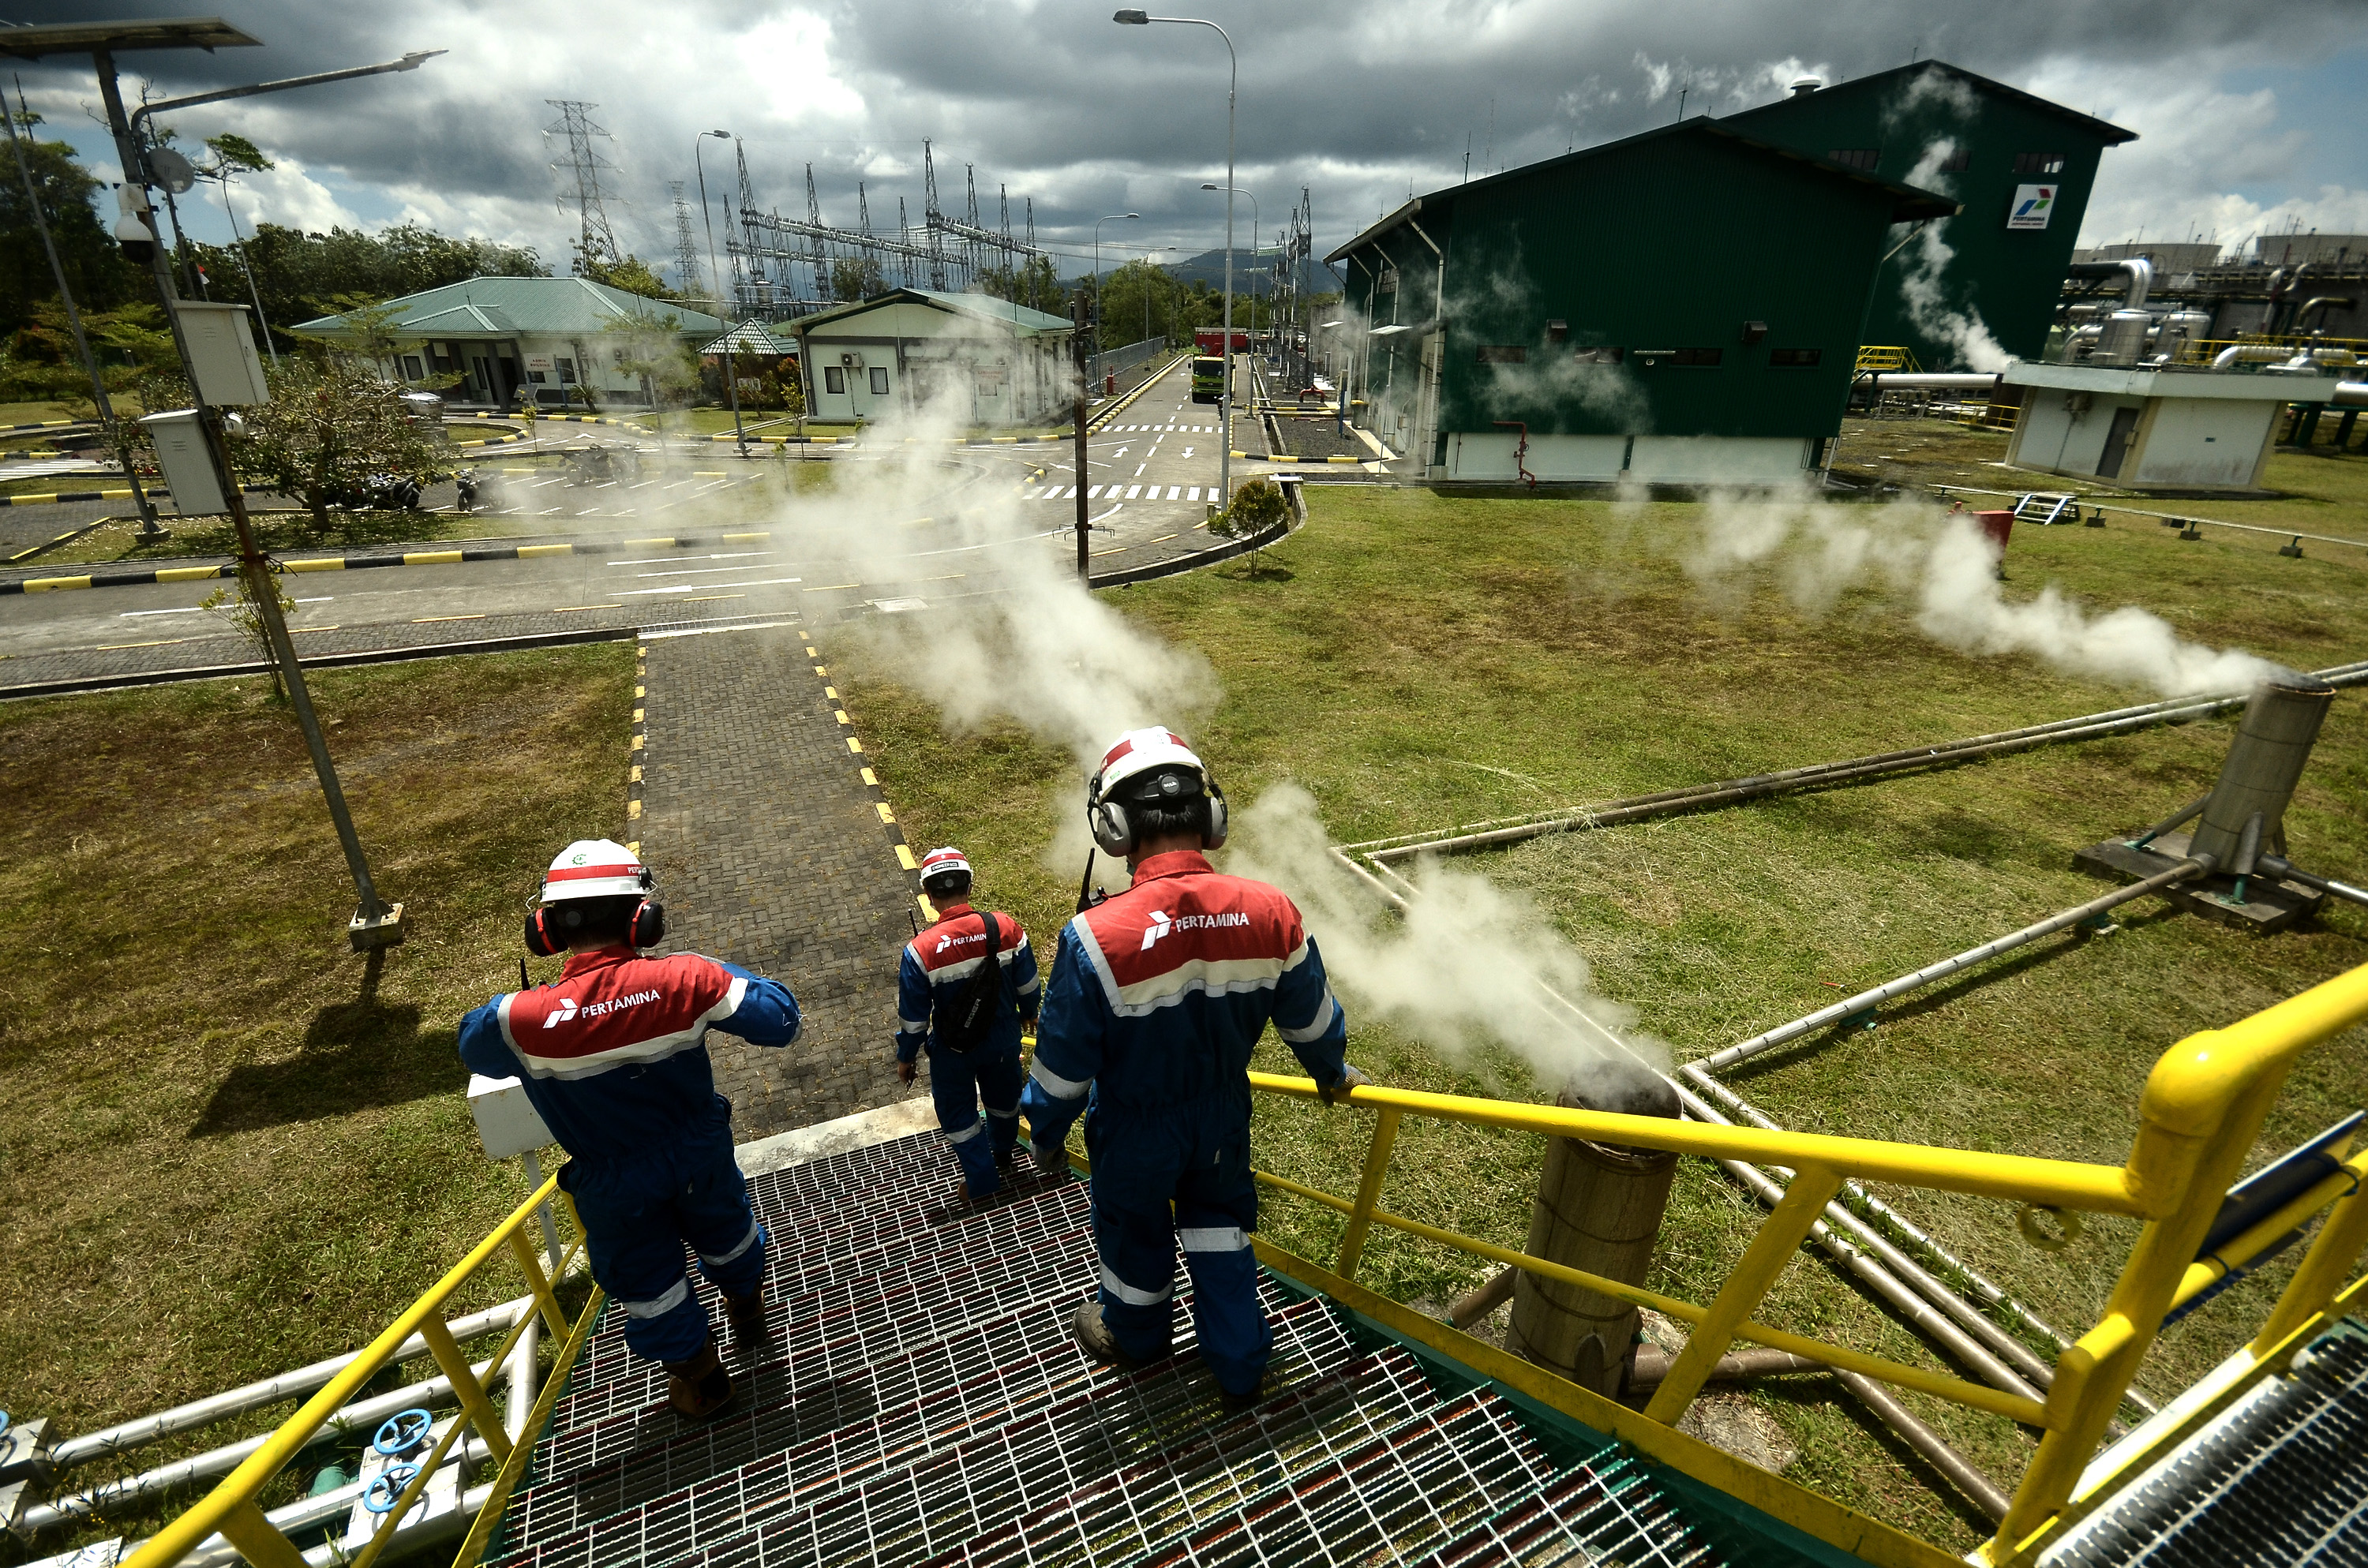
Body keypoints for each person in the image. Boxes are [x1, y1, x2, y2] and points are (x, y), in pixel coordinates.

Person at [1019, 728, 1370, 1404]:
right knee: (1218, 1227)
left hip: (1133, 1127)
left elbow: (1061, 1069)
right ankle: (1239, 1362)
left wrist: (1046, 1136)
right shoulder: (1272, 911)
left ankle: (1138, 1337)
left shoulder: (1093, 938)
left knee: (1134, 1231)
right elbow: (1313, 1021)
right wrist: (1332, 1071)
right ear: (1211, 818)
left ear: (1113, 826)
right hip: (1220, 1116)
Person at [457, 839, 801, 1420]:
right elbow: (782, 1021)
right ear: (643, 918)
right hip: (698, 1153)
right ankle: (747, 1312)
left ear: (547, 929)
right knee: (730, 1235)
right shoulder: (688, 979)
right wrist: (703, 971)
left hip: (611, 1180)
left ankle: (704, 1383)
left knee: (648, 1282)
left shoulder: (515, 1020)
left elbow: (475, 1048)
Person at [896, 847, 1040, 1207]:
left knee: (958, 1113)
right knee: (1004, 1102)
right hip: (1004, 1041)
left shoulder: (919, 951)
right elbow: (1028, 985)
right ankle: (1004, 1155)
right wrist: (1028, 1012)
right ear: (970, 886)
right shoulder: (1005, 928)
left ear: (928, 894)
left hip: (952, 1051)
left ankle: (981, 1178)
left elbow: (914, 1020)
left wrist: (906, 1057)